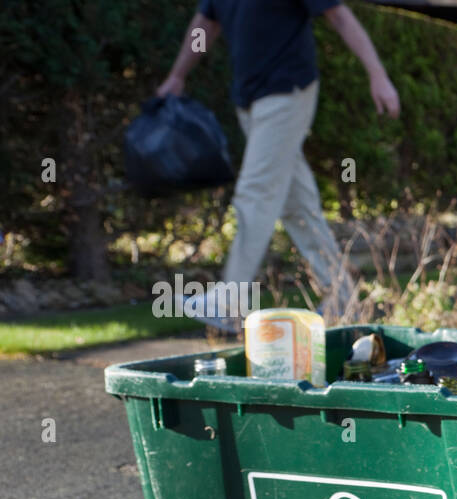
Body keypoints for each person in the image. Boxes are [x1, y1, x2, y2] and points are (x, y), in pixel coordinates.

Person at [157, 1, 400, 329]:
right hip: (249, 101)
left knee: (255, 191)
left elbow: (339, 16)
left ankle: (230, 300)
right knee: (299, 207)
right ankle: (345, 300)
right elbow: (205, 27)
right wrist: (177, 76)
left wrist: (378, 75)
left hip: (288, 92)